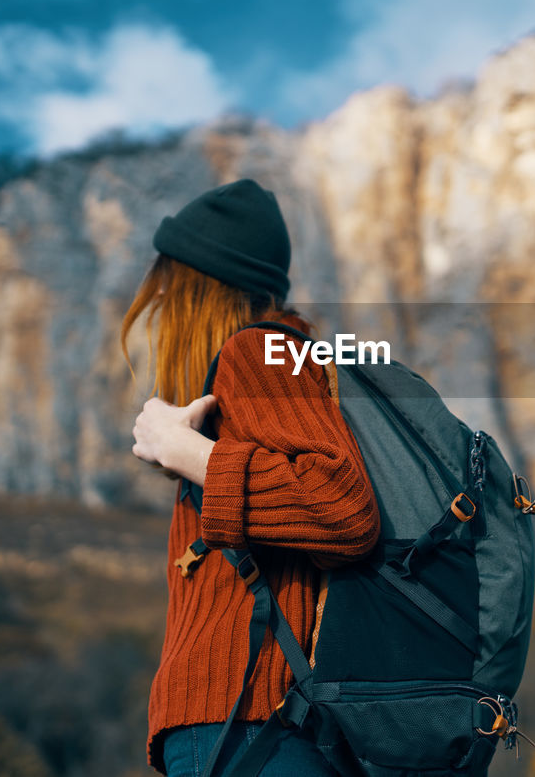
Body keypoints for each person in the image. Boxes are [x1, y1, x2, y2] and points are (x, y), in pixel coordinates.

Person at [120, 179, 381, 776]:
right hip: (250, 729)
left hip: (255, 729)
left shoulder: (258, 351)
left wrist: (188, 454)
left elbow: (341, 509)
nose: (159, 318)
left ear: (194, 293)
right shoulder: (269, 363)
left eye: (165, 297)